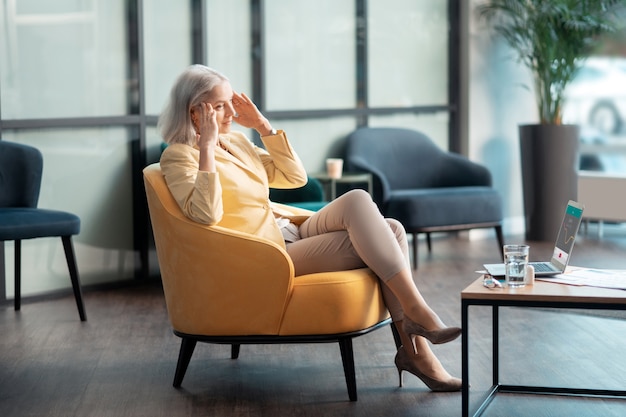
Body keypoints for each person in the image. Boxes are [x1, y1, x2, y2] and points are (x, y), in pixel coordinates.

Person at [158, 64, 462, 392]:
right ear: (195, 114)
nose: (232, 111)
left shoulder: (238, 144)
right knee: (387, 235)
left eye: (231, 101)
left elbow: (294, 178)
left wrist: (262, 126)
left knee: (375, 213)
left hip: (288, 230)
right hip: (262, 252)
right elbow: (205, 214)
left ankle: (415, 334)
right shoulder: (179, 157)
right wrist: (206, 147)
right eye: (220, 106)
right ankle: (419, 349)